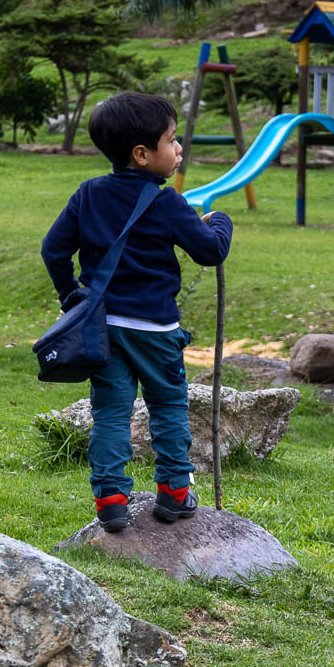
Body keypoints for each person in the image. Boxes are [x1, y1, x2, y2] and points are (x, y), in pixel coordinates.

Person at [41, 92, 233, 533]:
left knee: (111, 412)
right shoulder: (167, 203)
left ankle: (109, 498)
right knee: (167, 405)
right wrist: (220, 219)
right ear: (143, 154)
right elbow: (210, 250)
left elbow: (53, 250)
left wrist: (71, 295)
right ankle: (174, 492)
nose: (179, 149)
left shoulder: (88, 194)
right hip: (157, 330)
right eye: (172, 140)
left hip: (103, 329)